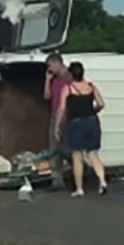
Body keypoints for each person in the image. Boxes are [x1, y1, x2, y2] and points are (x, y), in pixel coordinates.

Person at [55, 62, 108, 197]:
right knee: (93, 154)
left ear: (71, 74)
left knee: (77, 156)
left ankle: (79, 189)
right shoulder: (91, 86)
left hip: (76, 124)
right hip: (92, 121)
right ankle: (102, 181)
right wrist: (93, 111)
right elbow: (101, 103)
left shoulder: (68, 88)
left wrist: (57, 125)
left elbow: (61, 108)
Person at [43, 53, 72, 188]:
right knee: (54, 148)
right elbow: (47, 96)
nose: (49, 69)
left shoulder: (69, 78)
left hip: (68, 117)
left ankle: (82, 169)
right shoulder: (54, 80)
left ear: (57, 63)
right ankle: (57, 180)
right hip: (55, 116)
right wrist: (47, 80)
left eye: (50, 66)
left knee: (66, 149)